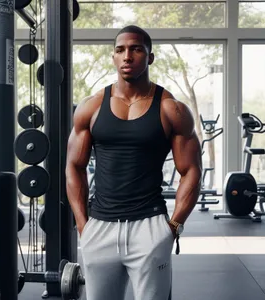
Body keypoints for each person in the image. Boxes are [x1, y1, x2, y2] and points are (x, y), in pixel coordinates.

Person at [66, 25, 202, 300]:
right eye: (120, 50)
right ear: (114, 57)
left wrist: (173, 226)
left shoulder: (171, 109)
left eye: (136, 49)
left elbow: (191, 171)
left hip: (149, 226)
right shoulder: (91, 107)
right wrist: (84, 225)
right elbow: (74, 166)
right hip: (100, 227)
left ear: (150, 57)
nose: (127, 56)